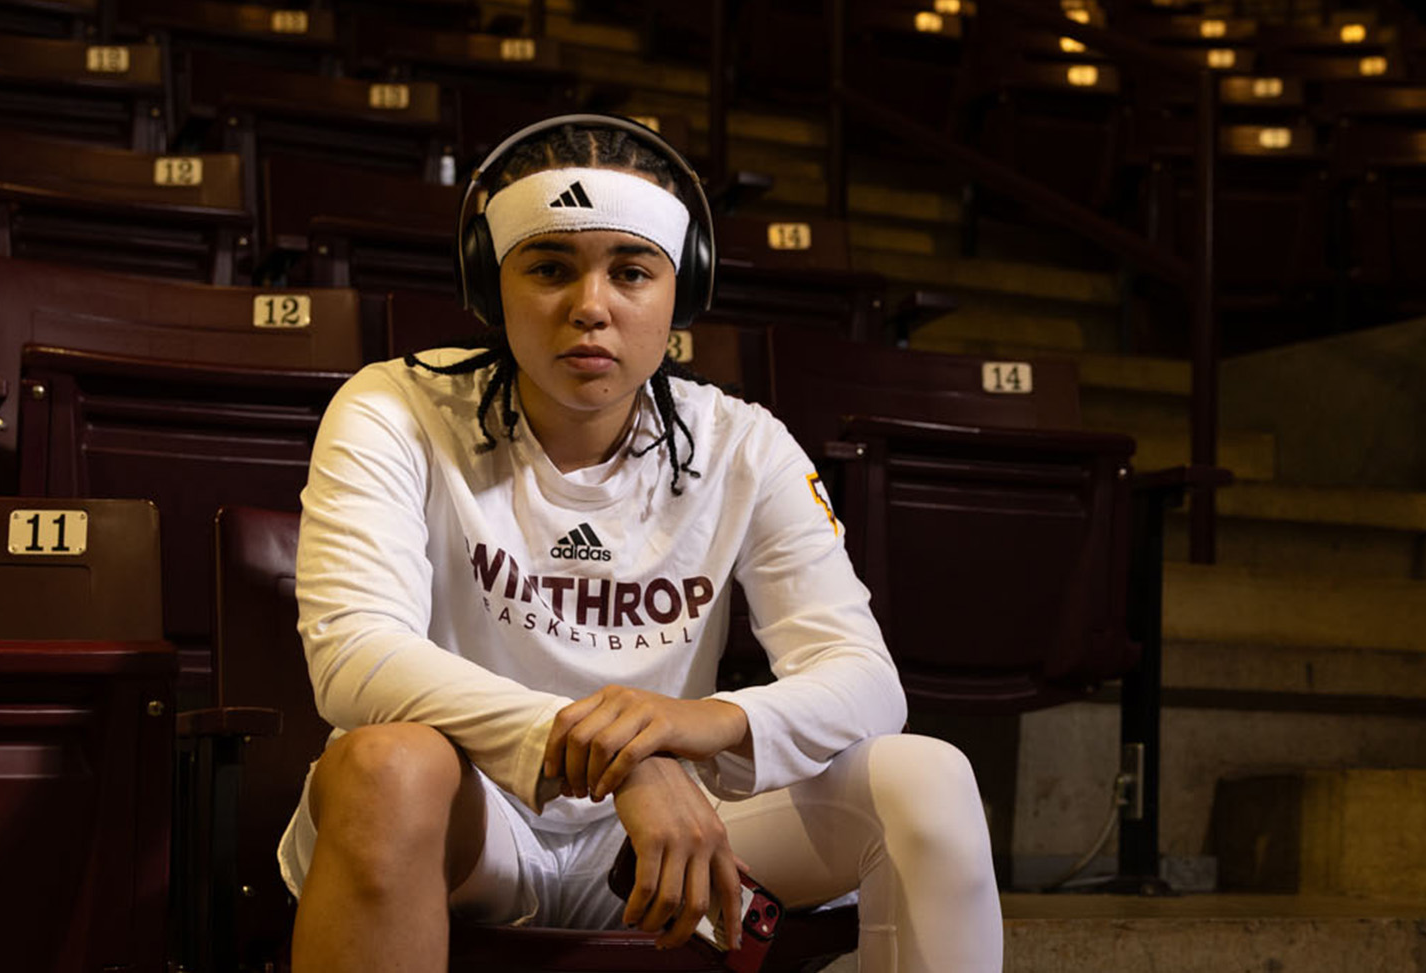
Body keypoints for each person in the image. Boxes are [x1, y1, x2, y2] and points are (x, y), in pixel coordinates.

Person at [279, 114, 1004, 973]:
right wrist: (626, 763)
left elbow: (865, 679)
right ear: (489, 284)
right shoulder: (391, 407)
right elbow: (355, 657)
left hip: (670, 836)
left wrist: (694, 725)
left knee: (929, 779)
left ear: (679, 291)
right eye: (550, 268)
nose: (590, 306)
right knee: (385, 763)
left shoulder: (744, 442)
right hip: (471, 820)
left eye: (630, 271)